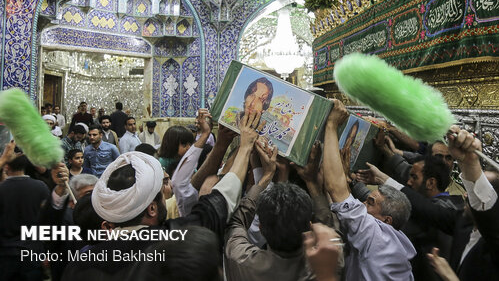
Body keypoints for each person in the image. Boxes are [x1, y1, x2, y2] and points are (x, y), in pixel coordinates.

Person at [62, 112, 264, 280]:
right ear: (151, 208)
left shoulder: (80, 266)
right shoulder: (173, 242)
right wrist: (245, 147)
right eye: (161, 193)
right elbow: (220, 200)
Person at [393, 126, 499, 281]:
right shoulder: (465, 223)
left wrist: (450, 277)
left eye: (476, 190)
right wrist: (468, 163)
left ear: (496, 208)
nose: (467, 194)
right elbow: (427, 209)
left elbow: (497, 230)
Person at [323, 99, 416, 280]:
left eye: (370, 203)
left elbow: (336, 189)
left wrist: (332, 125)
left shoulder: (376, 237)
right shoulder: (392, 239)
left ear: (387, 219)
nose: (361, 203)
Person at [225, 140, 328, 281]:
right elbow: (330, 225)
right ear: (310, 227)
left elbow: (237, 222)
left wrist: (265, 175)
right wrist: (312, 181)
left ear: (261, 228)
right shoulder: (327, 266)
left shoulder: (241, 259)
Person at [0, 144, 50, 281]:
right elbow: (46, 221)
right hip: (33, 253)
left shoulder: (2, 189)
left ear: (7, 167)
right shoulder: (41, 187)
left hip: (5, 254)